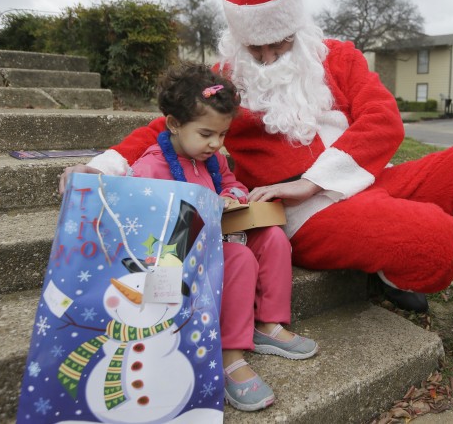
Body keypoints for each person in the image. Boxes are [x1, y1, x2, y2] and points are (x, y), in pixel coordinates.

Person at [59, 0, 453, 400]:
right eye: (255, 47)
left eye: (279, 45)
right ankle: (387, 265)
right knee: (433, 238)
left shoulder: (340, 56)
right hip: (307, 215)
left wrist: (314, 178)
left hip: (363, 181)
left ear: (298, 26)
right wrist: (102, 166)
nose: (266, 59)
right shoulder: (226, 77)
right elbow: (163, 126)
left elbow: (382, 120)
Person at [118, 62, 318, 412]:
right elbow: (150, 229)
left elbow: (230, 182)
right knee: (239, 257)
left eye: (222, 135)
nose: (216, 143)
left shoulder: (212, 160)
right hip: (177, 258)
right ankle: (228, 355)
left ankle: (268, 323)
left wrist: (236, 197)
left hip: (221, 234)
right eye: (206, 133)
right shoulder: (151, 168)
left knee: (272, 237)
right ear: (175, 125)